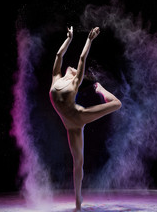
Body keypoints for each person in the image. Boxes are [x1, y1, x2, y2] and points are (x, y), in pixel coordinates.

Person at [49, 26, 122, 211]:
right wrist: (69, 38)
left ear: (76, 76)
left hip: (79, 116)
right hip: (70, 126)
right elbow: (58, 56)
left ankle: (101, 90)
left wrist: (89, 39)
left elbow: (82, 58)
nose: (72, 67)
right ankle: (78, 202)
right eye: (73, 67)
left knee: (117, 104)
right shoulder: (56, 78)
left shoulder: (74, 83)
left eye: (75, 69)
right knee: (78, 164)